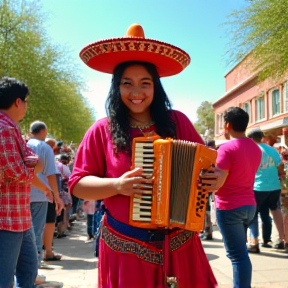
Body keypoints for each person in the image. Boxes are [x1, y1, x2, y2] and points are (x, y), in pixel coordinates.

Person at [69, 23, 217, 288]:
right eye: (127, 84)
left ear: (155, 87)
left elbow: (208, 168)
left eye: (145, 83)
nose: (136, 92)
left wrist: (214, 180)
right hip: (125, 249)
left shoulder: (178, 122)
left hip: (180, 246)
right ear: (117, 87)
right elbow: (78, 185)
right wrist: (116, 186)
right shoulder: (101, 130)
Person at [202, 107, 262, 288]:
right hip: (249, 205)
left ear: (227, 125)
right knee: (242, 254)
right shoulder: (255, 148)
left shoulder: (226, 149)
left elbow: (216, 183)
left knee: (238, 256)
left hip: (229, 207)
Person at [0, 76, 47, 287]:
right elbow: (17, 172)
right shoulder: (5, 130)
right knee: (6, 278)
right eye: (25, 102)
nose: (26, 107)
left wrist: (29, 162)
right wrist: (31, 163)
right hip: (6, 219)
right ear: (18, 102)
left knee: (28, 269)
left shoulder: (12, 129)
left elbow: (30, 160)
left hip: (19, 217)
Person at [27, 121, 64, 264]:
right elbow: (50, 174)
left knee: (21, 236)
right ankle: (33, 271)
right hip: (40, 195)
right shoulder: (44, 147)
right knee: (35, 234)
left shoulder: (23, 144)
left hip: (21, 195)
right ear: (44, 131)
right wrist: (56, 196)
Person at [247, 129, 287, 252]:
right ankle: (284, 239)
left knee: (253, 214)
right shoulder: (272, 150)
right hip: (274, 186)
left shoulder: (251, 151)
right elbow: (280, 165)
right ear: (262, 137)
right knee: (276, 211)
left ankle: (254, 243)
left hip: (258, 187)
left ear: (250, 139)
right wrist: (278, 173)